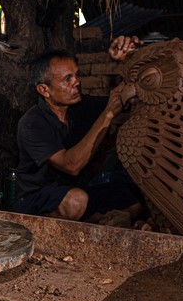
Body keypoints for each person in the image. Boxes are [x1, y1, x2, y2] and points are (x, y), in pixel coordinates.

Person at [12, 37, 143, 221]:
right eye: (68, 79)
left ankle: (101, 222)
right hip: (36, 200)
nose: (77, 82)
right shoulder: (31, 123)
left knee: (133, 198)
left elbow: (122, 97)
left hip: (79, 191)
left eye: (76, 74)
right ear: (44, 90)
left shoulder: (81, 106)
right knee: (76, 201)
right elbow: (71, 165)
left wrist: (127, 60)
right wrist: (107, 115)